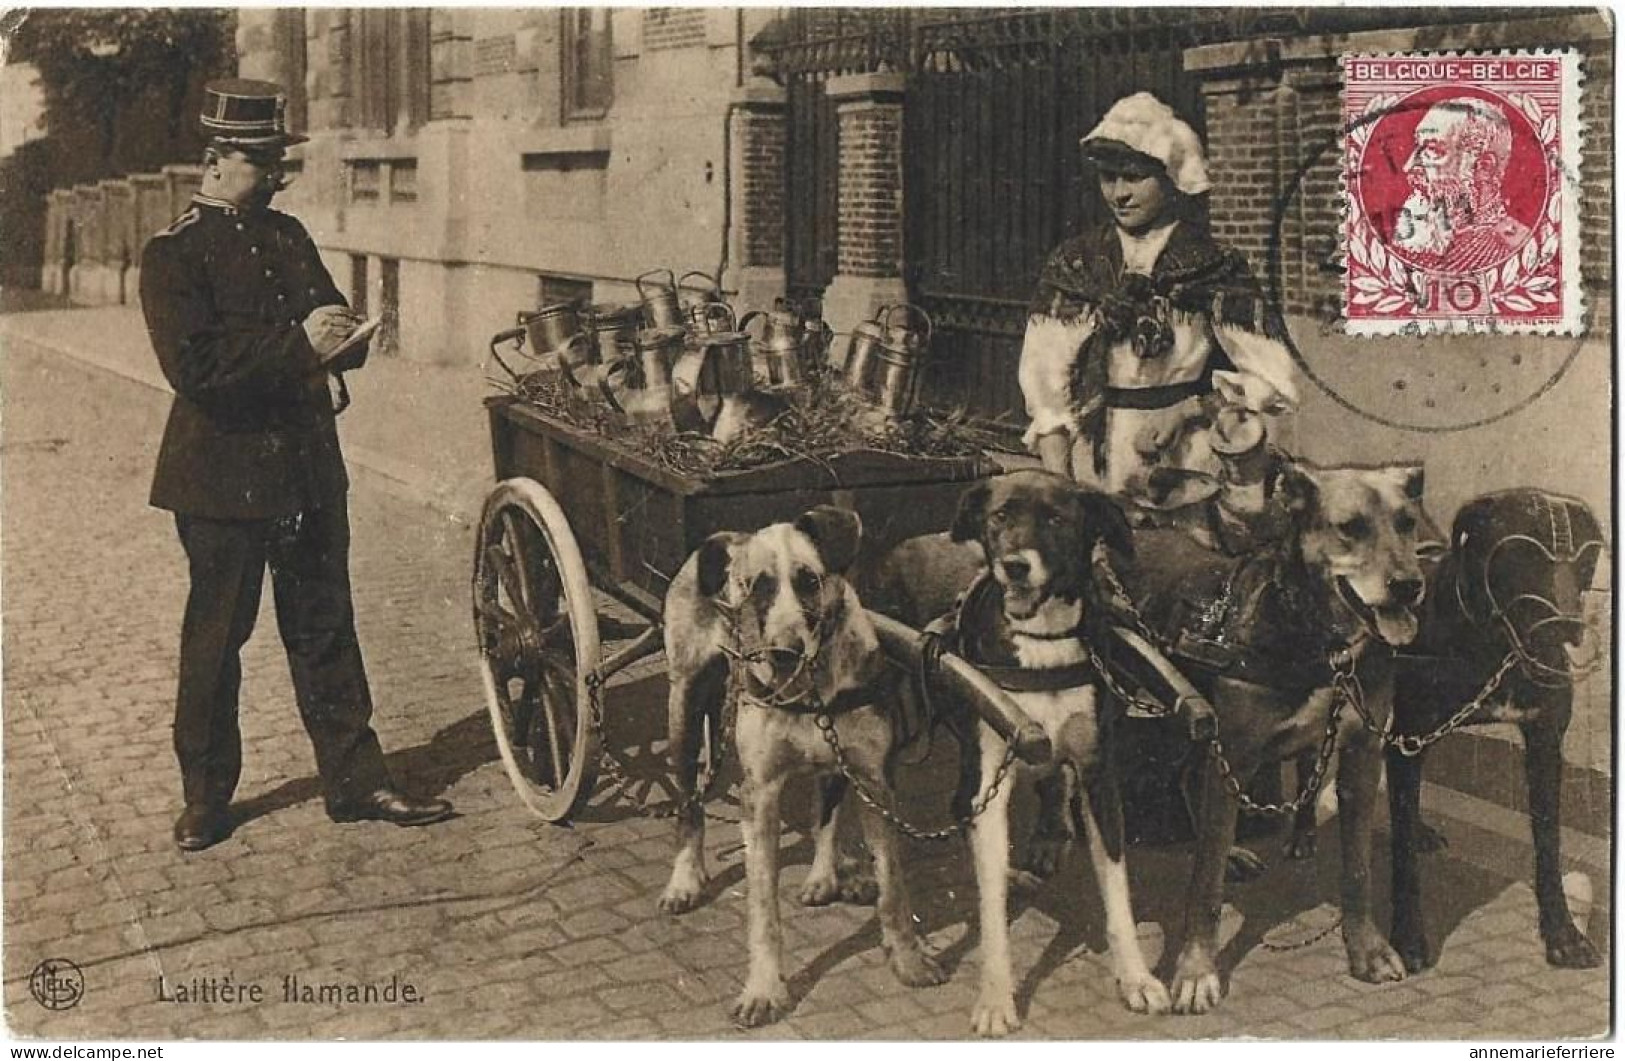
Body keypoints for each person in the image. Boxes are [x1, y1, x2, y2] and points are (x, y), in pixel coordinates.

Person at [140, 79, 453, 851]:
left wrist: (342, 349)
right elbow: (197, 369)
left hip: (307, 469)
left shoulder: (288, 236)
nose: (276, 176)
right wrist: (300, 349)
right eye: (261, 162)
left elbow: (328, 315)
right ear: (215, 162)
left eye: (278, 161)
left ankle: (356, 780)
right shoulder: (173, 253)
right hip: (221, 476)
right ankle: (206, 797)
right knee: (218, 638)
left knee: (325, 626)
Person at [1018, 92, 1300, 545]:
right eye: (1109, 178)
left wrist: (1191, 410)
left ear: (1170, 180)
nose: (1119, 193)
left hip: (1188, 452)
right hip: (1098, 452)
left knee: (1187, 570)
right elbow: (1045, 378)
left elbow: (1272, 374)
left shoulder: (1213, 263)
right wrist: (1062, 486)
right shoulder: (1077, 264)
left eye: (1134, 178)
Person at [1395, 97, 1532, 273]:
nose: (1409, 167)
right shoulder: (1414, 242)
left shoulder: (1519, 248)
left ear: (1483, 167)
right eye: (1418, 147)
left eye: (1433, 150)